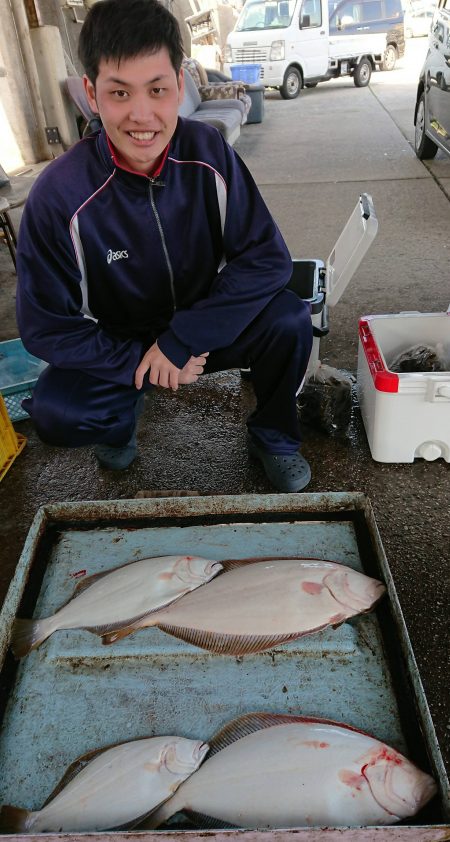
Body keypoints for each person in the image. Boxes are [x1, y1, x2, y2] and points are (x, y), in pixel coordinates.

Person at [16, 0, 313, 493]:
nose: (142, 115)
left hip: (201, 329)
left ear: (179, 84)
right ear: (91, 94)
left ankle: (274, 436)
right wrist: (138, 360)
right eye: (119, 92)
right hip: (119, 342)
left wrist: (182, 340)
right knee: (58, 411)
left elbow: (267, 259)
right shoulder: (58, 196)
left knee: (289, 318)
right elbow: (46, 327)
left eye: (157, 90)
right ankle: (120, 421)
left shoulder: (209, 152)